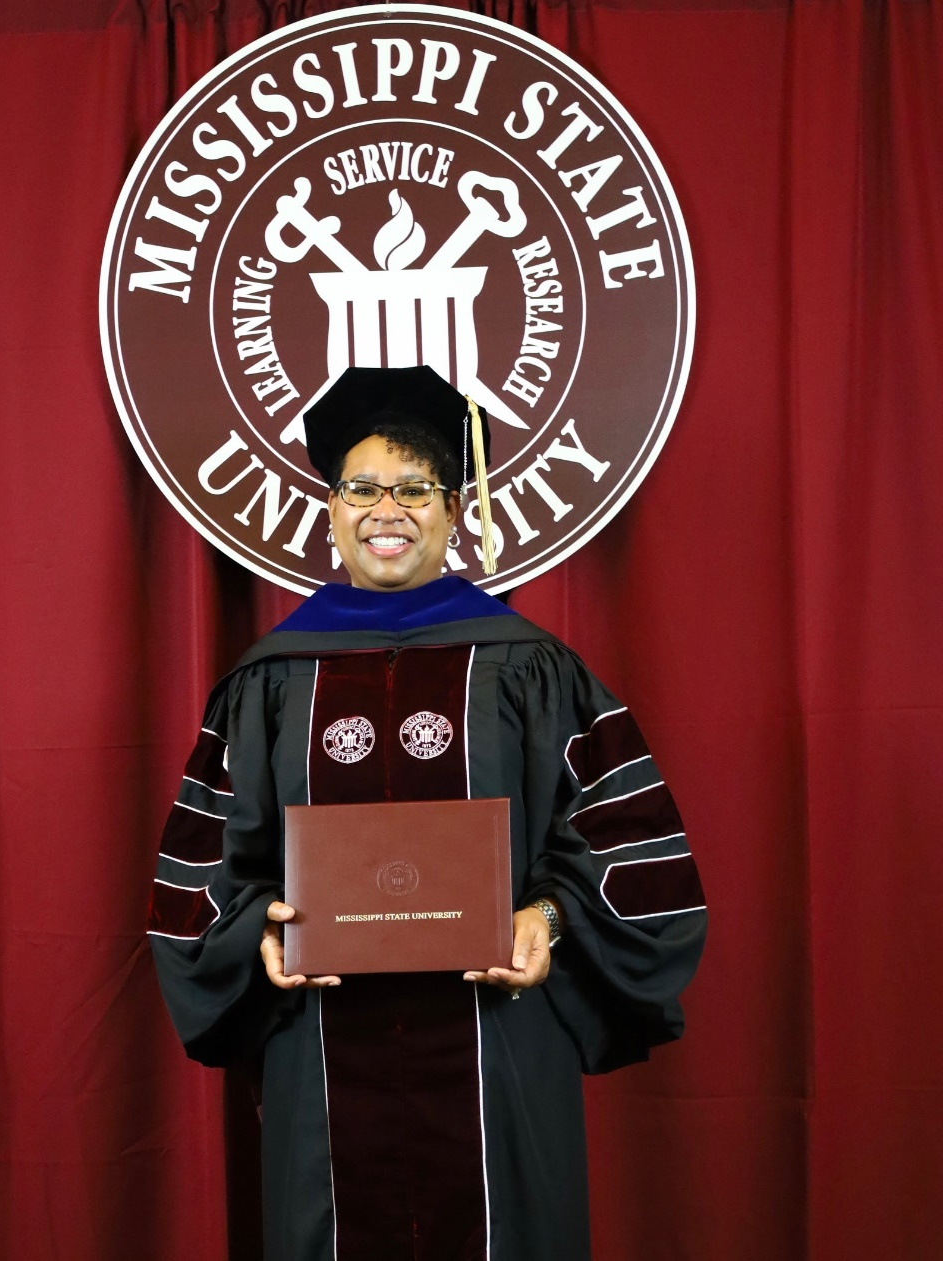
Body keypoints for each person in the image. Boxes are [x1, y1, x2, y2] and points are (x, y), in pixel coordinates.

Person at [148, 366, 706, 1261]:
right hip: (322, 1049)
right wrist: (257, 929)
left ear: (454, 510)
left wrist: (546, 917)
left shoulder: (530, 668)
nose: (387, 509)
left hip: (498, 1048)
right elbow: (209, 874)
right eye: (362, 488)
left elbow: (620, 840)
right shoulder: (271, 682)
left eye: (414, 489)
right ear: (331, 511)